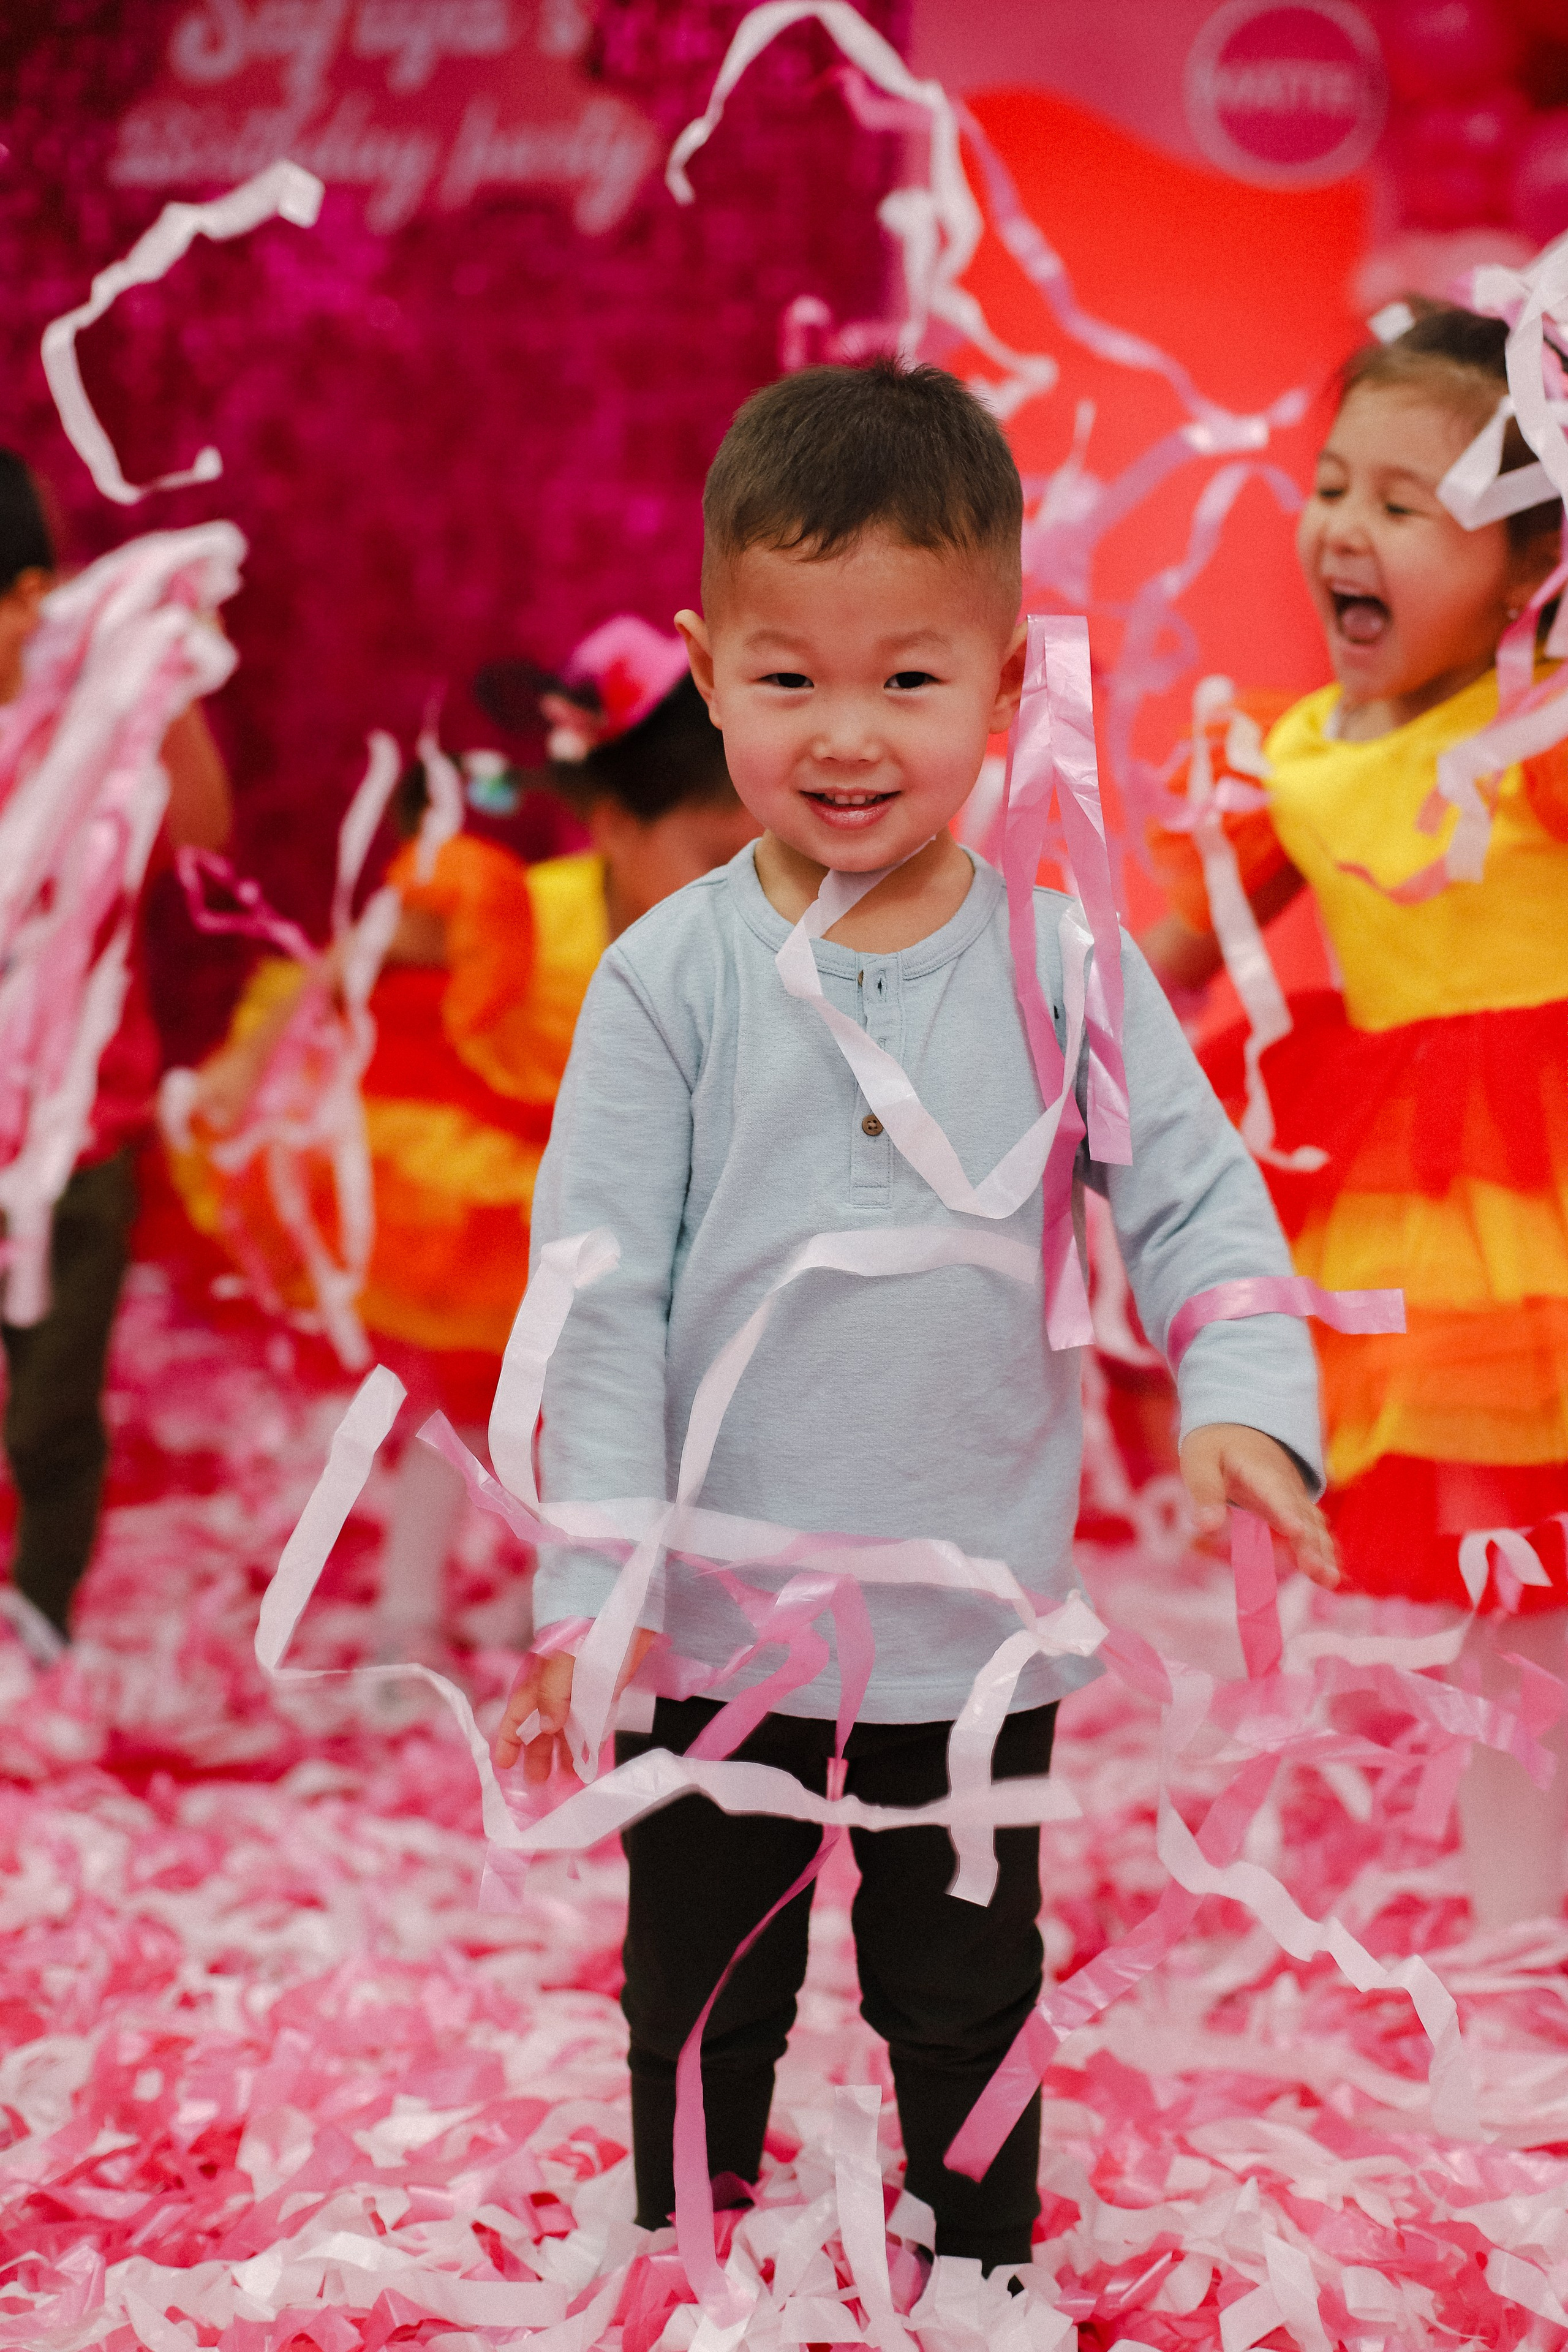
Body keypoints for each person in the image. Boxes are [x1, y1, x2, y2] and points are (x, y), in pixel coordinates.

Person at [493, 360, 1331, 2270]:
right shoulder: (666, 984)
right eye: (791, 680)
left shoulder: (1060, 960)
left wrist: (1248, 1403)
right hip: (720, 1632)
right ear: (708, 674)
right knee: (701, 1984)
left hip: (970, 1626)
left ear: (1009, 688)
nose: (848, 735)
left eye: (911, 679)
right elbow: (601, 1306)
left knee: (961, 1984)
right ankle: (683, 2259)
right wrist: (594, 1591)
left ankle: (982, 2268)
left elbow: (1201, 1201)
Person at [1140, 300, 1568, 1933]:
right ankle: (1524, 1939)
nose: (1349, 528)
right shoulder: (1290, 760)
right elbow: (1157, 972)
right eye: (1335, 488)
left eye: (1410, 504)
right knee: (1511, 1580)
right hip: (1435, 1225)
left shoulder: (1536, 735)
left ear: (1531, 569)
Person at [172, 631, 758, 1659]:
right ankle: (409, 1616)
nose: (748, 888)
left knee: (640, 1412)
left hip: (662, 1202)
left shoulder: (754, 944)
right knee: (474, 1397)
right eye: (721, 857)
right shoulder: (525, 915)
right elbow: (362, 948)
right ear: (615, 824)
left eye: (773, 859)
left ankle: (587, 1605)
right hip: (515, 1193)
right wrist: (239, 1070)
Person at [0, 451, 232, 1651]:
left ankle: (39, 1623)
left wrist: (160, 691)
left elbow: (198, 834)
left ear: (30, 599)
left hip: (80, 1139)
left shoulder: (91, 737)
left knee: (49, 1412)